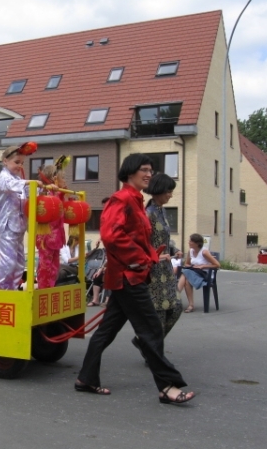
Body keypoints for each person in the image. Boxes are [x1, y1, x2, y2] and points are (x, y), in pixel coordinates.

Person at [75, 153, 195, 405]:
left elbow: (139, 239)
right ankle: (168, 386)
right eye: (144, 169)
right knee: (151, 329)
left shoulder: (137, 201)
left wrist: (151, 256)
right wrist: (139, 259)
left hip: (128, 276)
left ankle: (86, 379)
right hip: (129, 277)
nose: (149, 174)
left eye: (151, 170)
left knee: (106, 332)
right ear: (130, 172)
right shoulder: (122, 199)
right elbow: (111, 236)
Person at [131, 173, 184, 359]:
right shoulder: (148, 214)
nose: (171, 195)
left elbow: (162, 239)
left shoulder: (162, 211)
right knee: (159, 314)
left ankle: (143, 341)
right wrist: (153, 256)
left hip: (167, 271)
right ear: (159, 191)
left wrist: (174, 248)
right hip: (153, 271)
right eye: (168, 191)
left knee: (177, 308)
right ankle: (154, 353)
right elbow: (139, 243)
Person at [0, 142, 41, 290]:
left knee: (20, 262)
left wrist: (44, 189)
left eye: (22, 163)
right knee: (8, 262)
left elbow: (29, 193)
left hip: (19, 225)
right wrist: (31, 182)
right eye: (16, 162)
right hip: (7, 225)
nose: (19, 166)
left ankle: (13, 289)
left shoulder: (18, 180)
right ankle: (2, 290)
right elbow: (9, 185)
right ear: (5, 161)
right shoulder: (4, 176)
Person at [36, 157, 67, 289]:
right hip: (46, 235)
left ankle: (51, 287)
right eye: (62, 178)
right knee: (46, 264)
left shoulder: (58, 193)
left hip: (57, 234)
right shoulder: (44, 192)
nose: (64, 181)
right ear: (54, 179)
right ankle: (44, 288)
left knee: (55, 265)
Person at [178, 233, 220, 313]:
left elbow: (217, 265)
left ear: (197, 243)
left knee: (185, 273)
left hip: (204, 274)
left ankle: (176, 295)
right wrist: (192, 266)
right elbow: (187, 264)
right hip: (194, 272)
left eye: (191, 241)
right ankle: (190, 305)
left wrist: (203, 266)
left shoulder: (204, 252)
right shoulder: (190, 251)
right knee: (186, 279)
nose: (188, 242)